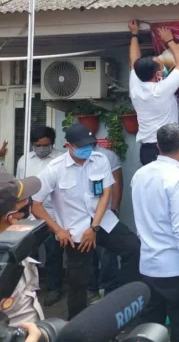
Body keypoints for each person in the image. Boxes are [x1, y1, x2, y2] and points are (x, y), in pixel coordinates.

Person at [31, 124, 141, 320]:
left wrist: (95, 226)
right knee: (77, 282)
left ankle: (126, 301)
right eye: (82, 146)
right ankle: (77, 324)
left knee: (133, 247)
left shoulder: (100, 160)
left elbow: (106, 192)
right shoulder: (55, 169)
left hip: (101, 221)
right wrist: (58, 231)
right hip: (74, 230)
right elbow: (36, 205)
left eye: (90, 145)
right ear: (68, 146)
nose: (87, 150)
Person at [131, 124, 179, 342]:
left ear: (157, 145)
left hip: (147, 265)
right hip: (174, 269)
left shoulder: (139, 175)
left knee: (149, 329)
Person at [14, 127, 65, 307]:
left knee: (54, 253)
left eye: (46, 145)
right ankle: (31, 289)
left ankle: (54, 288)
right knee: (29, 254)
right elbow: (20, 186)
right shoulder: (24, 160)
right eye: (38, 145)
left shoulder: (62, 158)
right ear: (32, 145)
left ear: (52, 143)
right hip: (29, 215)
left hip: (54, 214)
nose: (42, 148)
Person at [128, 20, 179, 166]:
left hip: (147, 149)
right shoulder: (160, 90)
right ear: (157, 75)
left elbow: (134, 61)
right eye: (162, 66)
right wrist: (170, 41)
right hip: (165, 149)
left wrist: (134, 35)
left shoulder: (136, 85)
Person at [0, 172, 44, 327]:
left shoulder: (13, 245)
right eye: (22, 201)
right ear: (11, 217)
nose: (27, 203)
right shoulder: (5, 263)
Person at [87, 144, 123, 300]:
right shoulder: (68, 160)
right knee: (87, 255)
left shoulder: (107, 156)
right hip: (81, 217)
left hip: (105, 216)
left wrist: (115, 208)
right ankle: (91, 290)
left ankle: (110, 291)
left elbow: (116, 183)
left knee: (107, 254)